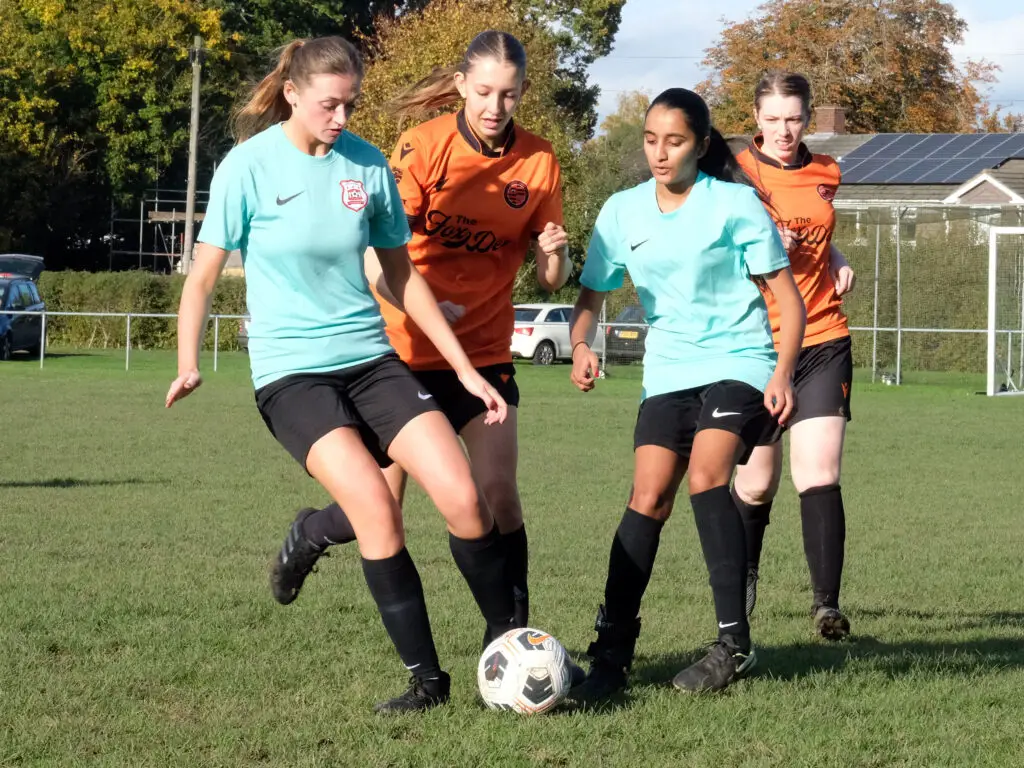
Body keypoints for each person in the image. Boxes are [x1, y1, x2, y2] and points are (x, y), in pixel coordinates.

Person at [165, 36, 522, 713]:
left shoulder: (366, 165)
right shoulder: (248, 167)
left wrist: (464, 370)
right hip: (293, 375)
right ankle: (427, 683)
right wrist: (188, 363)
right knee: (378, 512)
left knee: (464, 498)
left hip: (373, 361)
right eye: (329, 105)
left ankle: (506, 643)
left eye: (349, 105)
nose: (341, 118)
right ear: (294, 94)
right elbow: (202, 277)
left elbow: (400, 276)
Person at [270, 30, 571, 645]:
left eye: (508, 95)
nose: (494, 107)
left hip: (483, 355)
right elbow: (382, 257)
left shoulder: (540, 161)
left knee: (496, 496)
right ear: (461, 86)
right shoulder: (422, 147)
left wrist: (555, 256)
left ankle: (511, 640)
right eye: (483, 91)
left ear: (523, 94)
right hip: (400, 354)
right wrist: (428, 304)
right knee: (378, 511)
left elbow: (552, 274)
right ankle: (312, 532)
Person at [568, 88, 806, 698]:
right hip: (669, 372)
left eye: (674, 142)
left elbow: (787, 298)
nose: (659, 153)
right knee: (647, 497)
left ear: (700, 146)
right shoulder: (621, 212)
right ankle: (612, 652)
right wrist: (583, 343)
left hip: (740, 362)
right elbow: (593, 294)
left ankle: (732, 643)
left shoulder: (733, 204)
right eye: (650, 140)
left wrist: (781, 373)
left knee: (706, 475)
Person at [733, 71, 856, 640]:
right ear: (756, 118)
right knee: (756, 484)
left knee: (820, 473)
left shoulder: (827, 172)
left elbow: (820, 235)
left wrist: (836, 260)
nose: (784, 130)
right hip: (757, 343)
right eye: (773, 118)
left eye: (795, 118)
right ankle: (744, 573)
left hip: (823, 337)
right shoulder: (734, 175)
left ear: (808, 117)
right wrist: (756, 251)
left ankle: (827, 607)